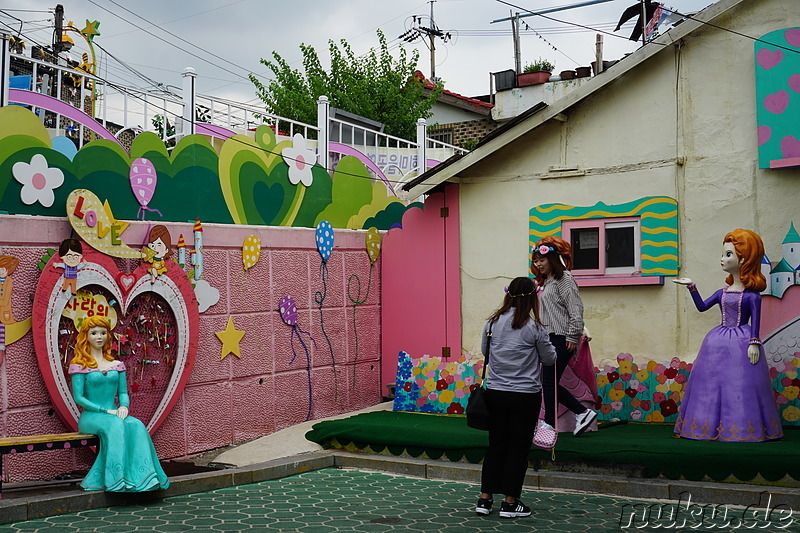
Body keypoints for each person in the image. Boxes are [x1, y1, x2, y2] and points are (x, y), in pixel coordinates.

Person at [673, 229, 783, 442]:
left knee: (741, 383)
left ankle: (742, 428)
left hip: (742, 342)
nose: (723, 259)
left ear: (745, 258)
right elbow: (703, 307)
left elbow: (756, 323)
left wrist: (754, 342)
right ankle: (706, 427)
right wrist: (692, 287)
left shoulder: (752, 296)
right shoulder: (721, 292)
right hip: (716, 343)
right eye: (724, 254)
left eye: (729, 254)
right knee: (710, 383)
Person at [476, 277, 556, 519]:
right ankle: (510, 503)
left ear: (508, 295)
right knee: (518, 449)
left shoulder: (491, 323)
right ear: (533, 298)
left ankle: (485, 499)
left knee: (496, 446)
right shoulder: (535, 327)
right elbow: (549, 359)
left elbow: (485, 351)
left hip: (496, 393)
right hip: (525, 396)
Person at [68, 315, 170, 491]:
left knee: (136, 425)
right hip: (92, 417)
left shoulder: (116, 365)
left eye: (103, 333)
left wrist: (123, 406)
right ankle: (116, 480)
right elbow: (79, 398)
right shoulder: (79, 365)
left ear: (108, 335)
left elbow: (123, 392)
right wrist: (106, 411)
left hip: (115, 413)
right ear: (86, 336)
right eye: (93, 333)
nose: (99, 337)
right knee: (116, 425)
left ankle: (144, 478)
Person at [531, 236, 597, 436]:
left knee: (549, 381)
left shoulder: (564, 279)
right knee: (548, 381)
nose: (538, 264)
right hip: (550, 338)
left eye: (541, 260)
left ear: (552, 259)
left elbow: (576, 309)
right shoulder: (548, 282)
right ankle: (581, 412)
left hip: (562, 337)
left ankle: (550, 424)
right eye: (535, 261)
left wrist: (572, 336)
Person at [0, 255, 19, 354]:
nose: (1, 272)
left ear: (8, 270)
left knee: (2, 326)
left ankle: (1, 344)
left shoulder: (9, 281)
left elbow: (7, 295)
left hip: (4, 308)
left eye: (3, 270)